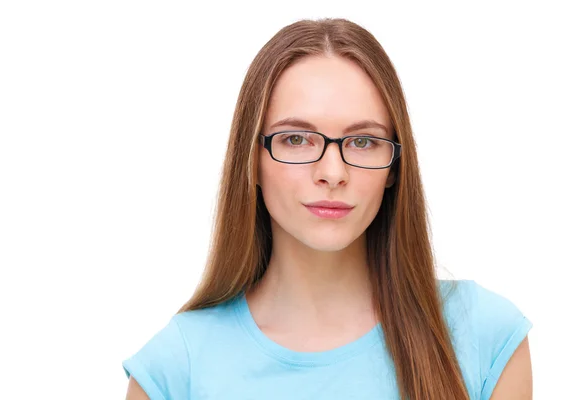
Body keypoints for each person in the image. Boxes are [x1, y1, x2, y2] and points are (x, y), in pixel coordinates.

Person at [122, 18, 533, 400]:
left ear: (394, 168)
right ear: (252, 160)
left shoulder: (485, 336)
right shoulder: (175, 369)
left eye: (363, 142)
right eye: (297, 139)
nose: (332, 172)